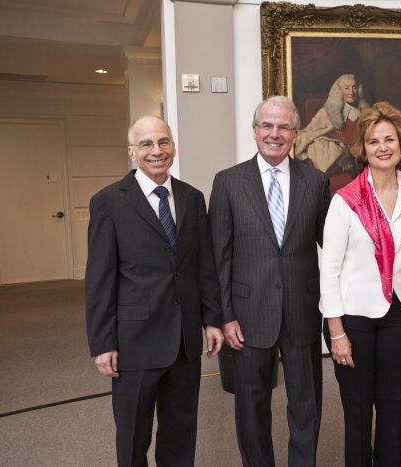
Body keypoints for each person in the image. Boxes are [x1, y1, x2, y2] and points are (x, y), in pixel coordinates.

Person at [85, 115, 224, 466]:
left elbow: (203, 265)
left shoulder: (192, 198)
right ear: (132, 151)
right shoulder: (109, 202)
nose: (156, 151)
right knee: (133, 436)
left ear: (174, 148)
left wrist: (211, 320)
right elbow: (100, 278)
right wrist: (103, 344)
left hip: (184, 342)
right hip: (135, 342)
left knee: (180, 434)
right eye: (146, 144)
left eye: (163, 142)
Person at [208, 96, 330, 467]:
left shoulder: (316, 180)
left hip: (302, 310)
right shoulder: (228, 182)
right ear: (255, 130)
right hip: (246, 315)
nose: (274, 134)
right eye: (267, 126)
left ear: (295, 134)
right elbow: (219, 256)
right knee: (251, 404)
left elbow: (333, 244)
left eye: (283, 127)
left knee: (306, 404)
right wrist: (224, 316)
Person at [319, 101, 401, 466]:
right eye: (373, 142)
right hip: (354, 318)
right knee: (356, 408)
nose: (382, 147)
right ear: (363, 150)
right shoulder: (345, 201)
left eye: (389, 140)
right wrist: (335, 331)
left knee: (394, 404)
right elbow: (329, 268)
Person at [296, 73, 370, 177]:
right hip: (339, 159)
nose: (351, 92)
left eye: (354, 88)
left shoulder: (366, 113)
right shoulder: (326, 113)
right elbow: (308, 135)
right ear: (339, 91)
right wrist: (340, 156)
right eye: (346, 88)